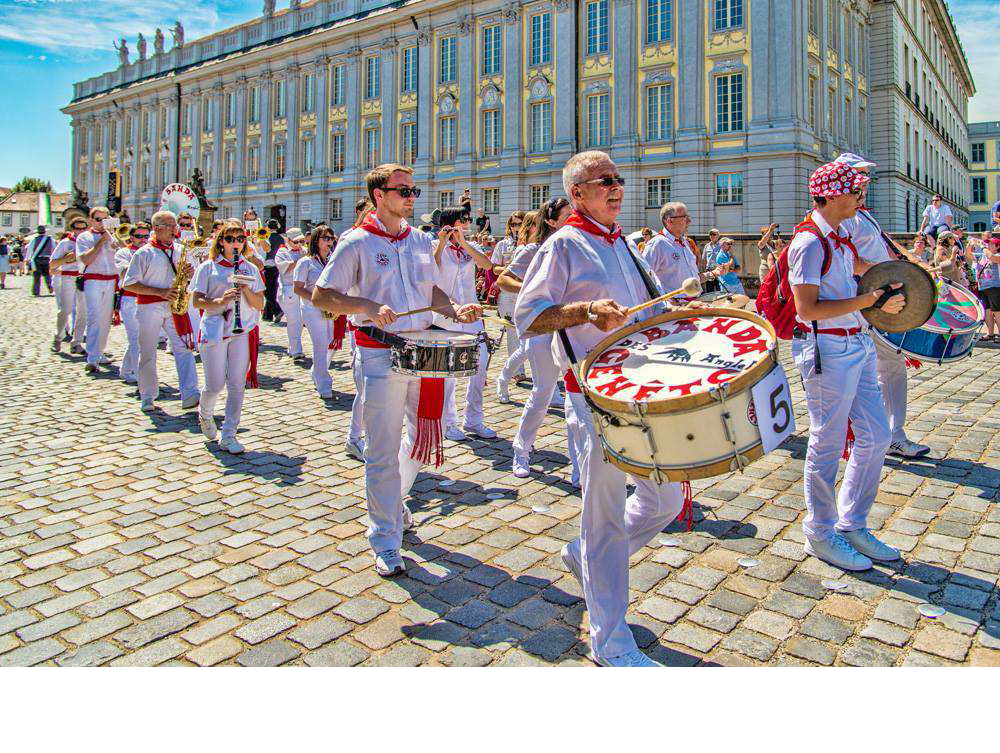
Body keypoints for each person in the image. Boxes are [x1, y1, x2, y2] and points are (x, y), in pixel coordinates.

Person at [515, 150, 689, 667]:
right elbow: (529, 315)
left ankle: (583, 557)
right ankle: (610, 642)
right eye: (602, 181)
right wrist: (584, 310)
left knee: (662, 503)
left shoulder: (625, 244)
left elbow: (649, 310)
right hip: (592, 396)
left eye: (616, 179)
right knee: (605, 519)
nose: (615, 187)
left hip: (641, 392)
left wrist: (678, 309)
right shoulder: (564, 244)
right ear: (577, 194)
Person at [311, 162, 483, 577]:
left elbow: (432, 289)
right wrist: (367, 307)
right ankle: (385, 537)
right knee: (383, 448)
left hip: (422, 348)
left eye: (413, 191)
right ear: (379, 196)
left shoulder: (421, 240)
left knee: (425, 432)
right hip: (378, 351)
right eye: (402, 190)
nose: (410, 197)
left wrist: (455, 309)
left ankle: (395, 500)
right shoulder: (355, 242)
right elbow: (323, 295)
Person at [788, 161, 904, 572]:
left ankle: (852, 522)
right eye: (855, 191)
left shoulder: (837, 237)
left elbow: (859, 270)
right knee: (827, 442)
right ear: (834, 194)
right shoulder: (808, 242)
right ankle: (819, 532)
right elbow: (807, 309)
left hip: (855, 344)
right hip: (827, 350)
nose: (860, 197)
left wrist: (902, 278)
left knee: (875, 435)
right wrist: (871, 302)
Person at [833, 153, 930, 460]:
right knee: (883, 371)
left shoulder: (863, 216)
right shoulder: (846, 219)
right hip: (869, 304)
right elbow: (849, 261)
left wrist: (906, 263)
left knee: (887, 370)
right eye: (860, 176)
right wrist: (887, 274)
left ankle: (882, 434)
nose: (866, 182)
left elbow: (880, 248)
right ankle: (884, 436)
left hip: (878, 300)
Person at [496, 197, 579, 482]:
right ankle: (521, 449)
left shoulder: (577, 247)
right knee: (543, 392)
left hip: (573, 328)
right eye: (567, 216)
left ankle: (580, 466)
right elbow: (503, 280)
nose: (573, 219)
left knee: (576, 398)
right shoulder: (534, 249)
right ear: (552, 221)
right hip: (542, 326)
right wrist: (533, 289)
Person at [190, 219, 265, 454]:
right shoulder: (208, 267)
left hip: (240, 331)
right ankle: (205, 414)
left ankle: (229, 434)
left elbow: (260, 303)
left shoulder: (249, 268)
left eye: (240, 239)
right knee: (214, 384)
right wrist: (221, 301)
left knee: (236, 383)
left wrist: (245, 290)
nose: (236, 243)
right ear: (221, 242)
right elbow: (196, 301)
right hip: (214, 328)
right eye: (230, 239)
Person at [121, 210, 201, 412]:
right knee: (147, 352)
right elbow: (129, 284)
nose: (176, 229)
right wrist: (160, 291)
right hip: (149, 307)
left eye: (175, 225)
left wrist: (188, 275)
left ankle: (190, 392)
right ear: (157, 229)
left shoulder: (180, 249)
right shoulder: (144, 253)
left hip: (174, 306)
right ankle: (147, 395)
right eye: (171, 225)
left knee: (183, 348)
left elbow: (185, 278)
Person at [432, 206, 498, 441]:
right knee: (449, 373)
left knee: (479, 367)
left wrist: (464, 243)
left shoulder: (469, 248)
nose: (468, 223)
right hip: (446, 315)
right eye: (464, 219)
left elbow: (487, 265)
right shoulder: (436, 246)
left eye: (468, 219)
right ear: (451, 222)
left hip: (472, 314)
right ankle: (448, 422)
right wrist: (442, 243)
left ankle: (474, 419)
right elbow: (431, 268)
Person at [294, 224, 339, 399]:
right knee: (320, 345)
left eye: (331, 238)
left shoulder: (329, 261)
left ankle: (316, 372)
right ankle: (323, 384)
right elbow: (297, 288)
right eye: (325, 238)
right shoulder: (305, 262)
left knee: (328, 342)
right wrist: (316, 300)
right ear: (316, 240)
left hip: (328, 308)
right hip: (311, 308)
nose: (329, 242)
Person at [75, 207, 120, 373]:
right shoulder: (84, 237)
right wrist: (101, 241)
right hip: (93, 280)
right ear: (91, 221)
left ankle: (99, 352)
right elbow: (86, 259)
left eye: (105, 219)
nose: (102, 223)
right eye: (98, 219)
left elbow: (124, 252)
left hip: (111, 281)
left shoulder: (114, 235)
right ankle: (92, 358)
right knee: (94, 318)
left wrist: (115, 237)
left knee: (105, 320)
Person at [492, 210, 528, 402]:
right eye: (513, 224)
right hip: (507, 293)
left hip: (526, 291)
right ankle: (517, 371)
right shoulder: (503, 244)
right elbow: (494, 267)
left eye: (519, 224)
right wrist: (508, 269)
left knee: (529, 332)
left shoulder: (531, 244)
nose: (516, 228)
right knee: (512, 333)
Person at [642, 201, 709, 300]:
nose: (689, 221)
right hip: (675, 308)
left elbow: (692, 277)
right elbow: (643, 279)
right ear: (669, 221)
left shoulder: (685, 242)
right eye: (684, 217)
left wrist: (713, 274)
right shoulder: (657, 244)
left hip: (695, 302)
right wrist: (667, 300)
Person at [113, 222, 150, 384]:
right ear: (132, 237)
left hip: (149, 298)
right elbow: (125, 274)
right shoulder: (123, 252)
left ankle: (126, 369)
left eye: (145, 236)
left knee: (143, 338)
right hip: (130, 298)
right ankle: (137, 372)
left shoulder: (153, 252)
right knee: (136, 338)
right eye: (138, 236)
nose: (142, 239)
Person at [48, 218, 89, 353]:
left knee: (83, 312)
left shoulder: (89, 242)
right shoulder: (65, 243)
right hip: (68, 277)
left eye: (84, 228)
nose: (81, 231)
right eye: (78, 228)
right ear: (72, 229)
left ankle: (76, 342)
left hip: (84, 278)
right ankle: (58, 337)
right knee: (65, 310)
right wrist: (66, 258)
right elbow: (52, 264)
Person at [275, 227, 307, 363]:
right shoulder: (282, 252)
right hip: (289, 290)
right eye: (296, 242)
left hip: (303, 290)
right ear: (288, 240)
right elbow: (284, 269)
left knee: (300, 321)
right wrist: (301, 260)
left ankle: (293, 347)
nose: (299, 244)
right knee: (294, 321)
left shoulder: (303, 251)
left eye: (301, 241)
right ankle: (296, 350)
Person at [976, 235, 1000, 342]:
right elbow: (969, 255)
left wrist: (983, 248)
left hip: (995, 287)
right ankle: (990, 334)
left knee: (997, 312)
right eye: (987, 243)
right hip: (983, 287)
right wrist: (970, 245)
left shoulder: (997, 255)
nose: (988, 245)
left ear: (997, 246)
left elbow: (993, 258)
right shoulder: (984, 255)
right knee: (988, 311)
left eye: (990, 244)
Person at [23, 225, 55, 296]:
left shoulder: (34, 239)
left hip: (37, 259)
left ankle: (36, 291)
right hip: (47, 258)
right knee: (47, 275)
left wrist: (27, 259)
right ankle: (50, 287)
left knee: (36, 275)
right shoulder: (50, 239)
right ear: (45, 232)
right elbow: (54, 249)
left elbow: (30, 249)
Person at [261, 219, 282, 322]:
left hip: (267, 265)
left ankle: (277, 310)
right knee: (272, 290)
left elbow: (266, 250)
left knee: (267, 291)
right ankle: (267, 315)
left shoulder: (265, 237)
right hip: (277, 265)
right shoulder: (281, 238)